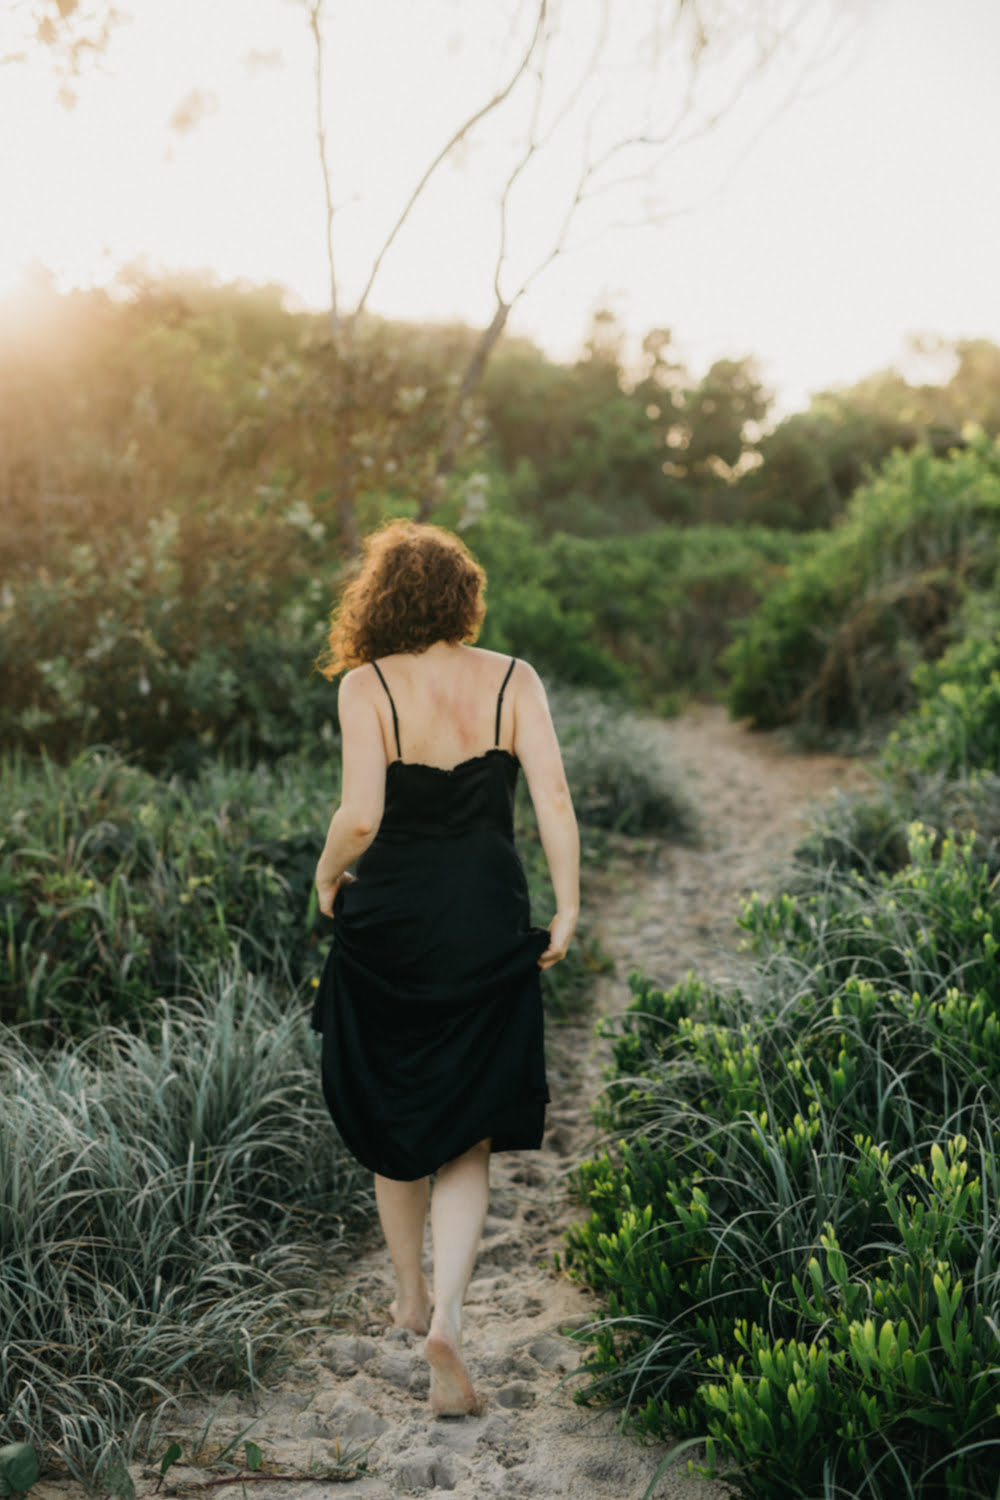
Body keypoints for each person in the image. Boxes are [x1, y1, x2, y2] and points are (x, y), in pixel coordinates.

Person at [311, 518, 579, 1418]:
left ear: (378, 599)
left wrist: (325, 878)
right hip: (485, 911)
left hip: (391, 915)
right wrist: (569, 905)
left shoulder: (366, 685)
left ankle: (410, 1298)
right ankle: (452, 1318)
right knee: (468, 1124)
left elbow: (358, 817)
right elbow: (550, 795)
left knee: (395, 1099)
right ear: (466, 595)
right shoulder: (514, 679)